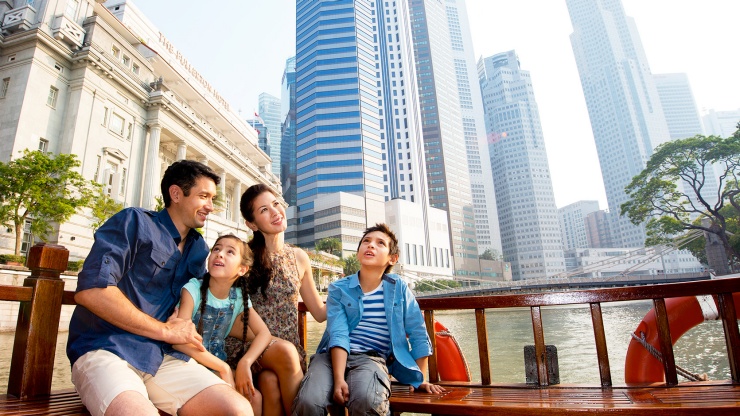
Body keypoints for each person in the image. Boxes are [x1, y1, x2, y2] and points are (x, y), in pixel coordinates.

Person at [67, 160, 252, 416]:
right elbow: (93, 291)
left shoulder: (199, 249)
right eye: (203, 196)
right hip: (106, 350)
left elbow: (203, 306)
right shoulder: (134, 222)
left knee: (237, 409)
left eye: (212, 198)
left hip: (163, 356)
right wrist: (165, 330)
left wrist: (224, 363)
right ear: (176, 194)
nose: (210, 206)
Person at [292, 223, 445, 416]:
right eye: (366, 241)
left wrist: (420, 378)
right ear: (358, 253)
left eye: (380, 243)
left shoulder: (399, 288)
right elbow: (339, 333)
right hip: (330, 358)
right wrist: (339, 378)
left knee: (367, 401)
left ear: (392, 258)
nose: (371, 245)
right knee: (308, 401)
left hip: (371, 358)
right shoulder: (339, 288)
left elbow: (417, 332)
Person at [224, 183, 327, 416]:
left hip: (285, 352)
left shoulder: (299, 257)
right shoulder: (243, 256)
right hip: (248, 345)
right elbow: (226, 307)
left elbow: (319, 313)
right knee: (286, 353)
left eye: (276, 204)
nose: (275, 212)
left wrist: (352, 294)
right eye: (263, 210)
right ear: (252, 224)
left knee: (271, 383)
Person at [174, 234, 272, 416]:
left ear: (242, 269)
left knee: (254, 397)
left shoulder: (238, 298)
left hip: (217, 363)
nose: (219, 254)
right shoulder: (193, 289)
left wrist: (245, 362)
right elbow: (178, 341)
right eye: (216, 249)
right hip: (188, 363)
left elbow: (264, 333)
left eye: (230, 252)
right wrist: (224, 367)